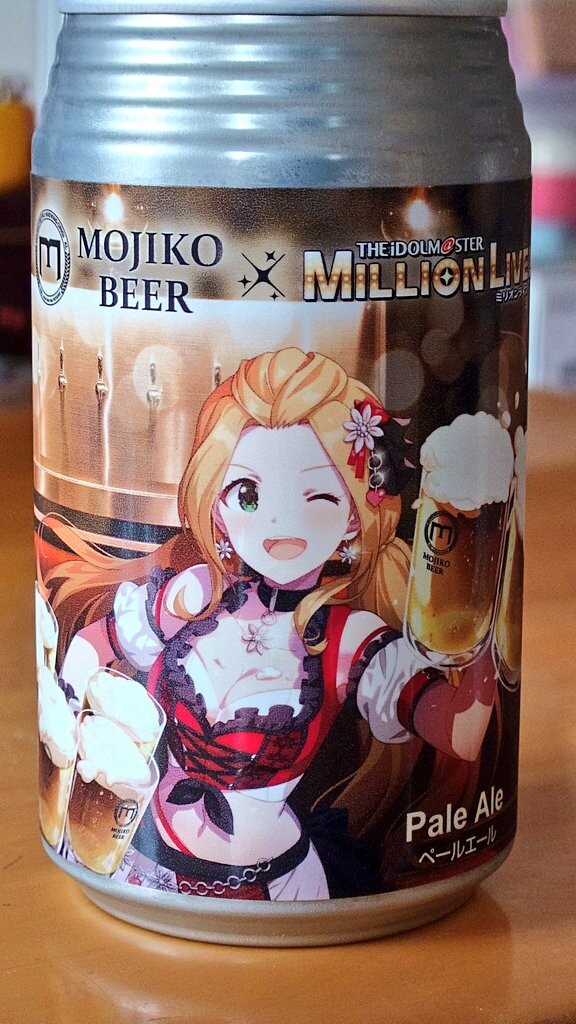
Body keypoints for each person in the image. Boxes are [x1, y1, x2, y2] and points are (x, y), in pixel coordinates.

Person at [45, 348, 498, 901]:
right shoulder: (195, 596)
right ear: (217, 506)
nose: (280, 520)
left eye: (319, 496)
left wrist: (487, 611)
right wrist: (67, 715)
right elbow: (95, 643)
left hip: (273, 884)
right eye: (249, 494)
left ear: (353, 515)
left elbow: (460, 733)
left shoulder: (346, 640)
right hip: (141, 857)